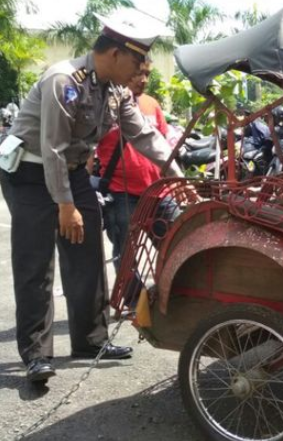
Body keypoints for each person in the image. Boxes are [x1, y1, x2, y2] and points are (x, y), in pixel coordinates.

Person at [0, 15, 186, 384]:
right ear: (115, 54)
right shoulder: (63, 80)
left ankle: (89, 341)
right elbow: (52, 149)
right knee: (36, 261)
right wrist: (65, 208)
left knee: (86, 252)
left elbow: (146, 137)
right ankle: (36, 354)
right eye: (136, 63)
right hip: (29, 172)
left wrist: (179, 176)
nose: (140, 71)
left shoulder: (114, 91)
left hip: (68, 170)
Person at [95, 59, 168, 268]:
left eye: (147, 74)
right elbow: (89, 149)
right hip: (122, 195)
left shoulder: (152, 104)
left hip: (158, 192)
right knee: (126, 255)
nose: (143, 79)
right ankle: (132, 299)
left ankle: (172, 292)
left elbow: (162, 145)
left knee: (176, 243)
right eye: (138, 73)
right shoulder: (104, 106)